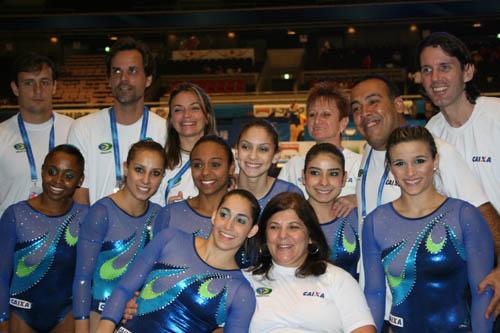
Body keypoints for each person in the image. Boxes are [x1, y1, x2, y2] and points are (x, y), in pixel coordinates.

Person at [350, 74, 500, 321]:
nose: (364, 112)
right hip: (381, 308)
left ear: (398, 104)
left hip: (431, 307)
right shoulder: (367, 153)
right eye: (356, 108)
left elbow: (482, 211)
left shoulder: (437, 150)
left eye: (373, 101)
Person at [363, 126, 493, 332]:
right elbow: (374, 293)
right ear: (389, 167)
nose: (410, 172)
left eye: (419, 161)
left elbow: (483, 294)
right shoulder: (375, 222)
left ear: (436, 161)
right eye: (400, 163)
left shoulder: (463, 215)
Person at [96, 189, 260, 333]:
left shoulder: (241, 293)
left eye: (241, 220)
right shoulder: (170, 239)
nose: (228, 225)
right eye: (224, 214)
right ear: (214, 215)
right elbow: (123, 289)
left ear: (252, 230)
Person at [418, 33, 500, 320]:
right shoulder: (430, 133)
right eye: (427, 70)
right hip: (465, 274)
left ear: (467, 71)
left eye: (444, 67)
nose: (434, 77)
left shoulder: (496, 116)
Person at [245, 192, 374, 332]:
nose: (282, 235)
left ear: (310, 236)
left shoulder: (337, 278)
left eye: (293, 227)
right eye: (274, 227)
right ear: (265, 235)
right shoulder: (247, 279)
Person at [72, 140, 166, 333]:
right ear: (126, 168)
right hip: (99, 318)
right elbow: (82, 278)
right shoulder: (101, 212)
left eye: (155, 173)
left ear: (162, 176)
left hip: (139, 319)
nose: (146, 180)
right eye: (139, 169)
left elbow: (156, 275)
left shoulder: (160, 216)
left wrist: (137, 299)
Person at [0, 144, 87, 333]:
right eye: (52, 171)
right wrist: (2, 320)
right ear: (42, 170)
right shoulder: (15, 214)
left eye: (69, 176)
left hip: (67, 315)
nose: (58, 180)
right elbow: (2, 275)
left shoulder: (86, 217)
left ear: (80, 180)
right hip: (20, 313)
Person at [68, 37, 166, 205]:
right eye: (117, 71)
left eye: (133, 70)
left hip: (151, 230)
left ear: (148, 79)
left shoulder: (165, 131)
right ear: (109, 79)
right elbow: (79, 196)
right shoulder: (83, 128)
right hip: (100, 229)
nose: (124, 79)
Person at [0, 52, 73, 217]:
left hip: (65, 236)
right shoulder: (1, 135)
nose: (37, 90)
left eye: (44, 82)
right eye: (28, 83)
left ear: (54, 86)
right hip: (12, 238)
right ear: (15, 88)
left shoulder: (75, 130)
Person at [278, 81, 361, 217]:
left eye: (326, 114)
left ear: (343, 122)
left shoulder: (360, 165)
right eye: (312, 115)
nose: (317, 121)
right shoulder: (293, 166)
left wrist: (360, 199)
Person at [153, 135, 235, 239]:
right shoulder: (170, 215)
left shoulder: (241, 218)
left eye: (215, 164)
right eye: (198, 165)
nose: (205, 172)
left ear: (231, 168)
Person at [303, 143, 360, 280]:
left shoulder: (357, 218)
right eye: (315, 173)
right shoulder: (289, 219)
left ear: (344, 179)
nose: (324, 182)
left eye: (333, 174)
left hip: (349, 300)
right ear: (303, 176)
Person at [156, 82, 217, 205]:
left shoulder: (230, 160)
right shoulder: (160, 164)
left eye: (194, 108)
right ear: (171, 120)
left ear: (207, 117)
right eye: (178, 110)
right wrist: (167, 212)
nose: (186, 115)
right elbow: (150, 216)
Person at [236, 119, 303, 210]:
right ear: (236, 151)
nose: (253, 156)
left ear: (276, 156)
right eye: (246, 147)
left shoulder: (290, 195)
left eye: (263, 149)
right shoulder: (222, 190)